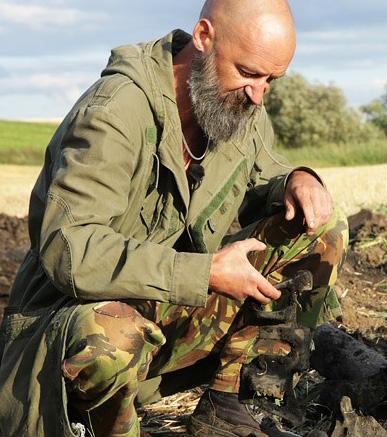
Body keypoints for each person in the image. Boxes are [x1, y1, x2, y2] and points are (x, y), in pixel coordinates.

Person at [0, 1, 348, 436]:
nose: (258, 94)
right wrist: (203, 272)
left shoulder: (238, 106)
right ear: (204, 37)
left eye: (271, 80)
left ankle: (234, 402)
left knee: (320, 230)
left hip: (166, 312)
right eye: (248, 73)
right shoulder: (115, 112)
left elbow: (266, 174)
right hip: (69, 329)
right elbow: (69, 250)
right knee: (113, 334)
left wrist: (298, 179)